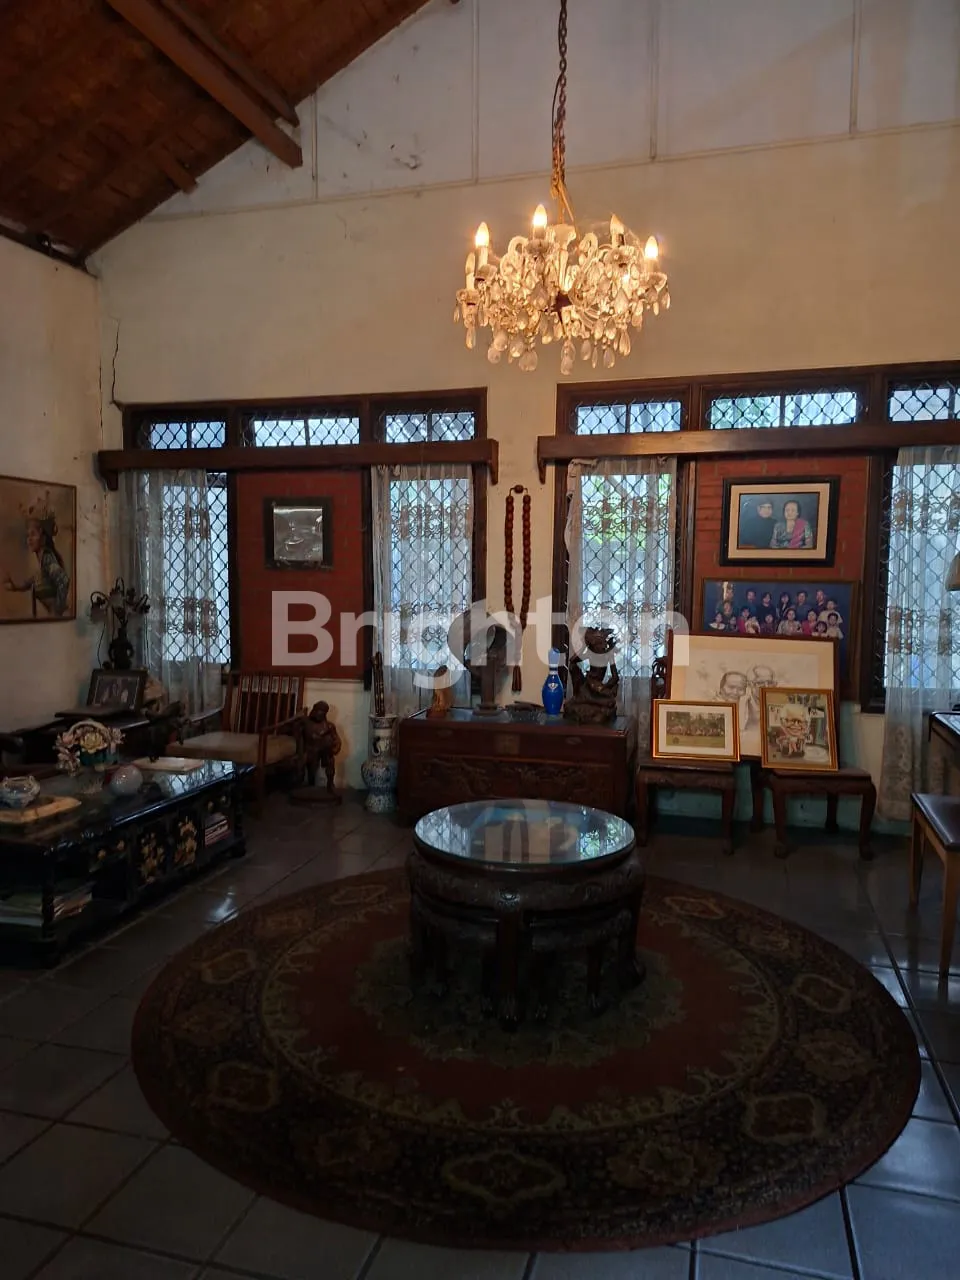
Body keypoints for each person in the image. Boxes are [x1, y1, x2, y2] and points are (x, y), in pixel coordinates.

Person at [4, 498, 70, 618]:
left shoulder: (47, 558)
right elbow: (33, 581)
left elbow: (63, 580)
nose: (29, 539)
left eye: (33, 534)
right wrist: (15, 586)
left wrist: (57, 610)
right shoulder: (42, 563)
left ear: (43, 537)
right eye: (28, 535)